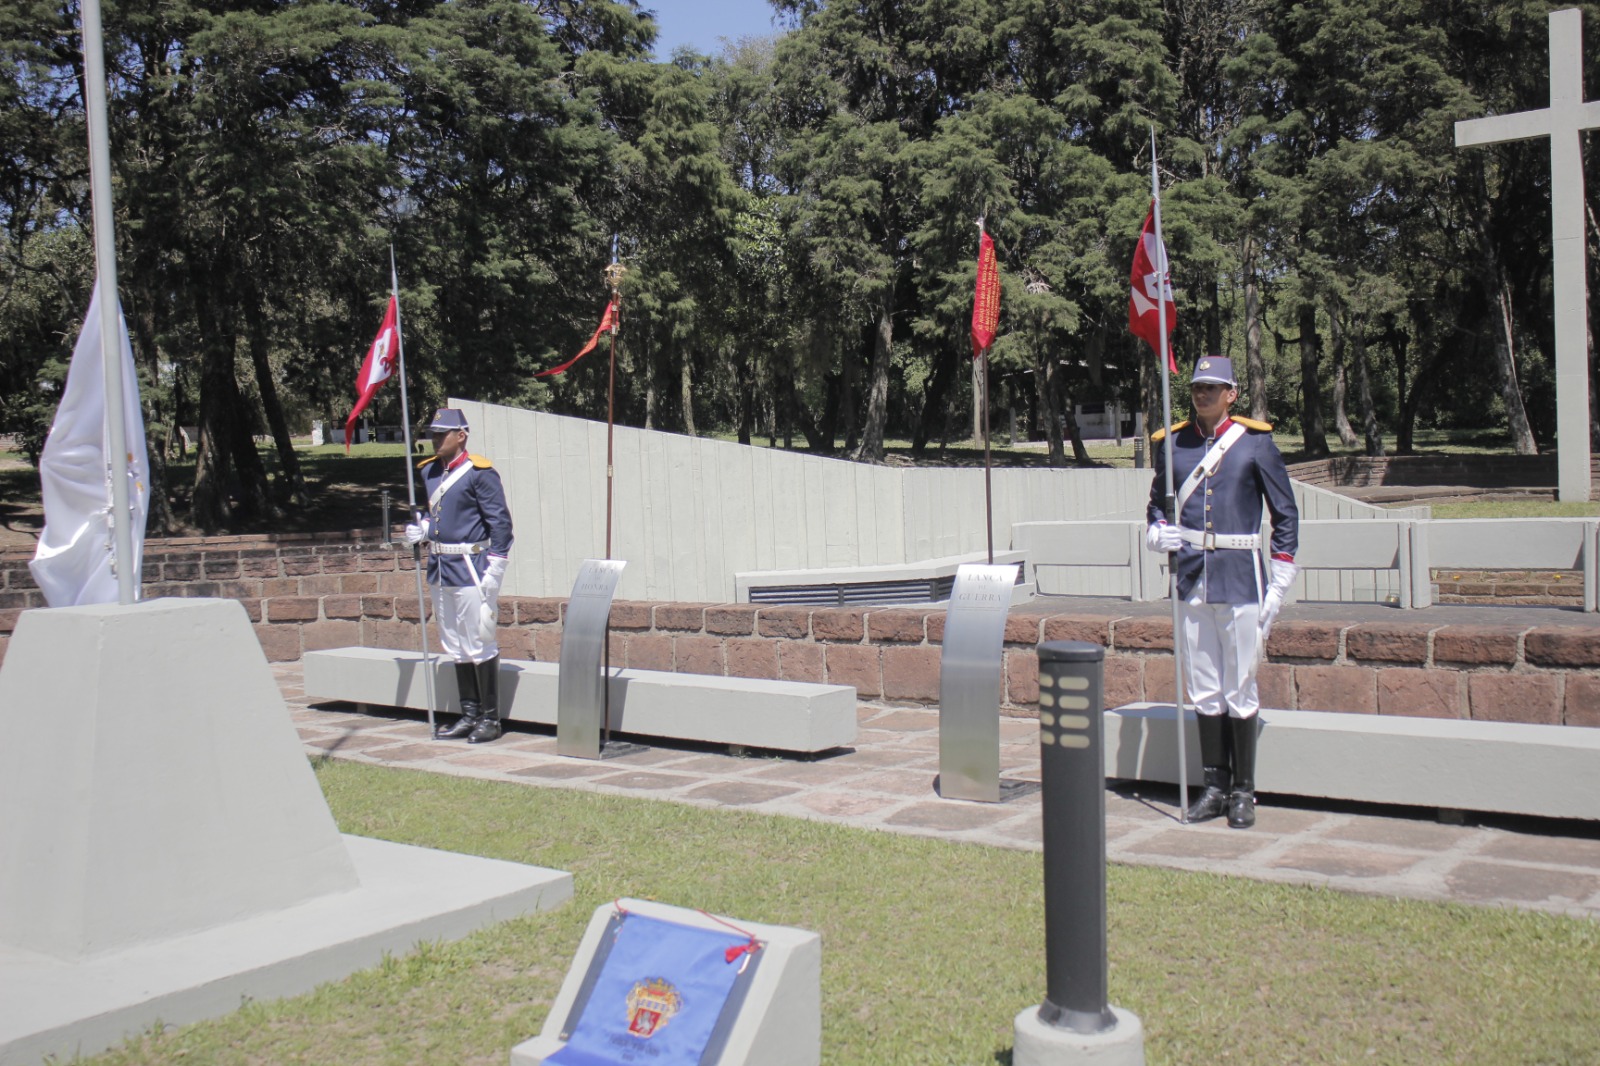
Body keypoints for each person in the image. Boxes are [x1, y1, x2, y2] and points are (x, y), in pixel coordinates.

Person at [1145, 357, 1298, 828]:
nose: (1202, 395)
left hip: (1241, 579)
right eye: (1196, 387)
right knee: (1205, 688)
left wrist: (1279, 582)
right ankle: (1214, 786)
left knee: (1240, 687)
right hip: (1192, 578)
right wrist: (1158, 533)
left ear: (1232, 393)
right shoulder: (1172, 445)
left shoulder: (1256, 444)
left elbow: (1285, 515)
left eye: (1213, 388)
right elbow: (1157, 505)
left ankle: (1243, 792)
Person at [405, 408, 513, 743]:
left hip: (471, 568)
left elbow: (501, 525)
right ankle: (469, 714)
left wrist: (494, 569)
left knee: (479, 641)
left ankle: (490, 719)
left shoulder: (479, 473)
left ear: (461, 435)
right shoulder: (429, 472)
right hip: (440, 567)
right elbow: (438, 515)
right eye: (433, 434)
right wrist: (422, 528)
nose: (435, 439)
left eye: (442, 434)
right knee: (454, 643)